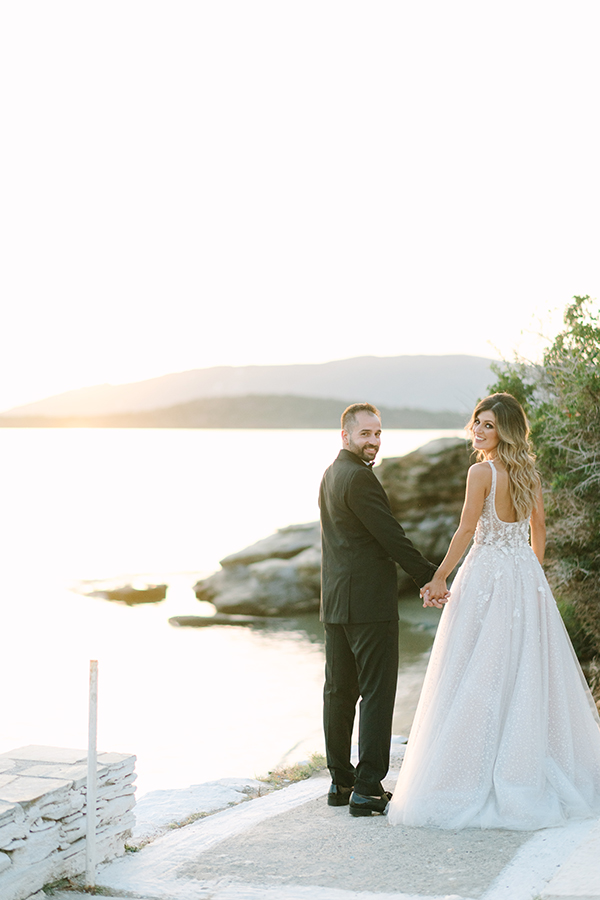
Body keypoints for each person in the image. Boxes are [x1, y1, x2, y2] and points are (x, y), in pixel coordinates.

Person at [388, 393, 600, 830]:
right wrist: (532, 575)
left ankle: (474, 770)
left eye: (488, 425)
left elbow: (467, 528)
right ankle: (523, 762)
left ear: (505, 430)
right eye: (476, 423)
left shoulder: (480, 472)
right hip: (523, 575)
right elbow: (538, 531)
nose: (478, 431)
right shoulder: (528, 474)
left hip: (485, 574)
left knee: (476, 668)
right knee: (523, 671)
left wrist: (440, 576)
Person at [319, 402, 446, 817]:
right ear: (346, 436)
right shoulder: (359, 479)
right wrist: (431, 577)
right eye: (365, 434)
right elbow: (392, 537)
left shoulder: (330, 475)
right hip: (369, 604)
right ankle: (369, 788)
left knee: (339, 694)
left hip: (336, 603)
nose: (373, 441)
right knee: (375, 694)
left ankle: (341, 782)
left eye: (377, 433)